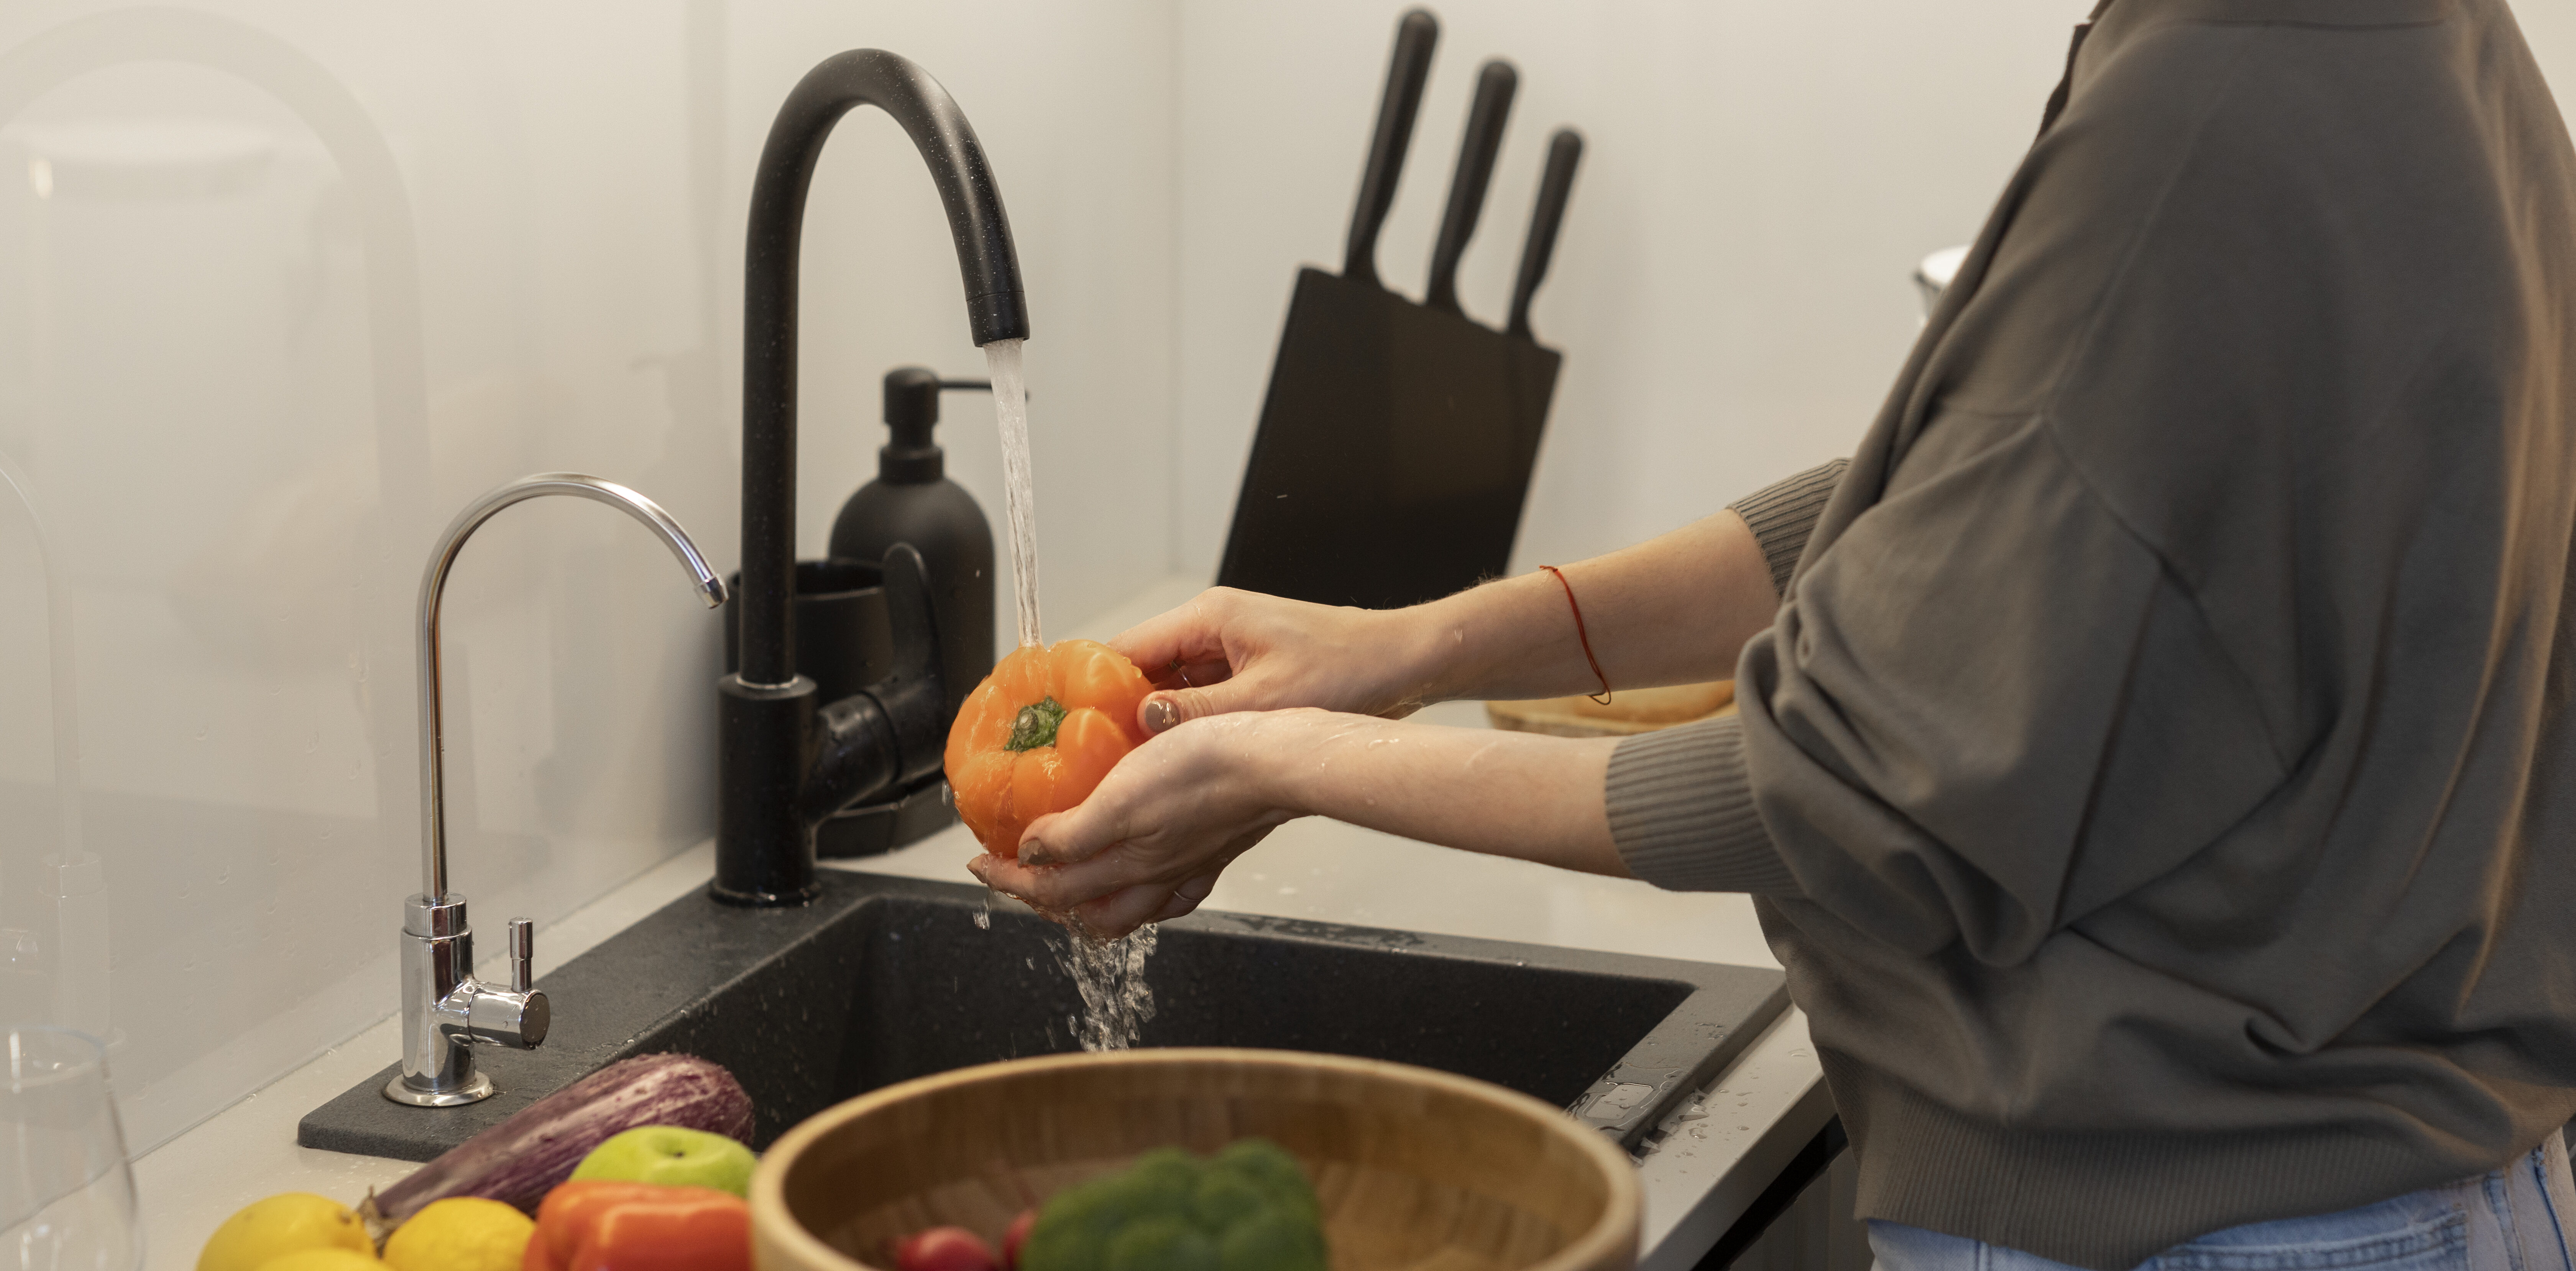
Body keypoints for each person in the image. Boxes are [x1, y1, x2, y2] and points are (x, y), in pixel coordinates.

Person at [974, 1, 2576, 1268]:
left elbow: (1842, 792)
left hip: (2203, 1221)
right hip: (2410, 1180)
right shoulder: (2404, 38)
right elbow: (1976, 498)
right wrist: (1418, 649)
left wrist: (1297, 758)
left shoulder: (2205, 114)